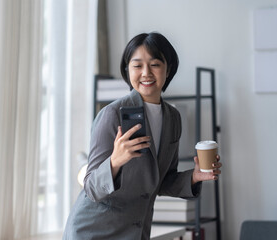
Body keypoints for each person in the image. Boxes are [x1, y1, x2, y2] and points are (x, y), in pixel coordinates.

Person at [62, 32, 222, 240]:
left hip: (136, 232)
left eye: (155, 64)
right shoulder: (112, 115)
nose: (146, 73)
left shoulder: (173, 118)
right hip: (94, 231)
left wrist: (194, 176)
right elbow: (91, 187)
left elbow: (161, 180)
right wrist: (115, 161)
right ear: (127, 70)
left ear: (168, 69)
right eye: (137, 66)